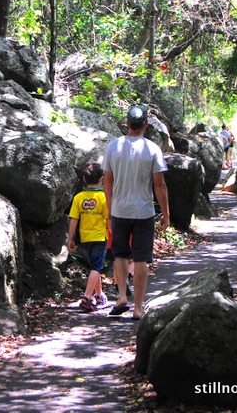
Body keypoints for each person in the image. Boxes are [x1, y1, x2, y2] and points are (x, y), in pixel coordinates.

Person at [103, 104, 170, 320]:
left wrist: (109, 210)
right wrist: (166, 214)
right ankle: (138, 308)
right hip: (143, 212)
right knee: (141, 260)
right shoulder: (152, 149)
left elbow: (108, 182)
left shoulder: (113, 147)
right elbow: (159, 185)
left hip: (119, 211)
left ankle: (122, 295)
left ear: (126, 123)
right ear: (146, 125)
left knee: (120, 255)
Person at [67, 162, 110, 312]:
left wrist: (70, 238)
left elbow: (73, 219)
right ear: (101, 179)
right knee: (96, 267)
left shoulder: (79, 197)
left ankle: (100, 295)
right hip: (99, 237)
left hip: (85, 238)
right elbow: (108, 219)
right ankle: (86, 297)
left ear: (84, 179)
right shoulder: (103, 197)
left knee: (94, 267)